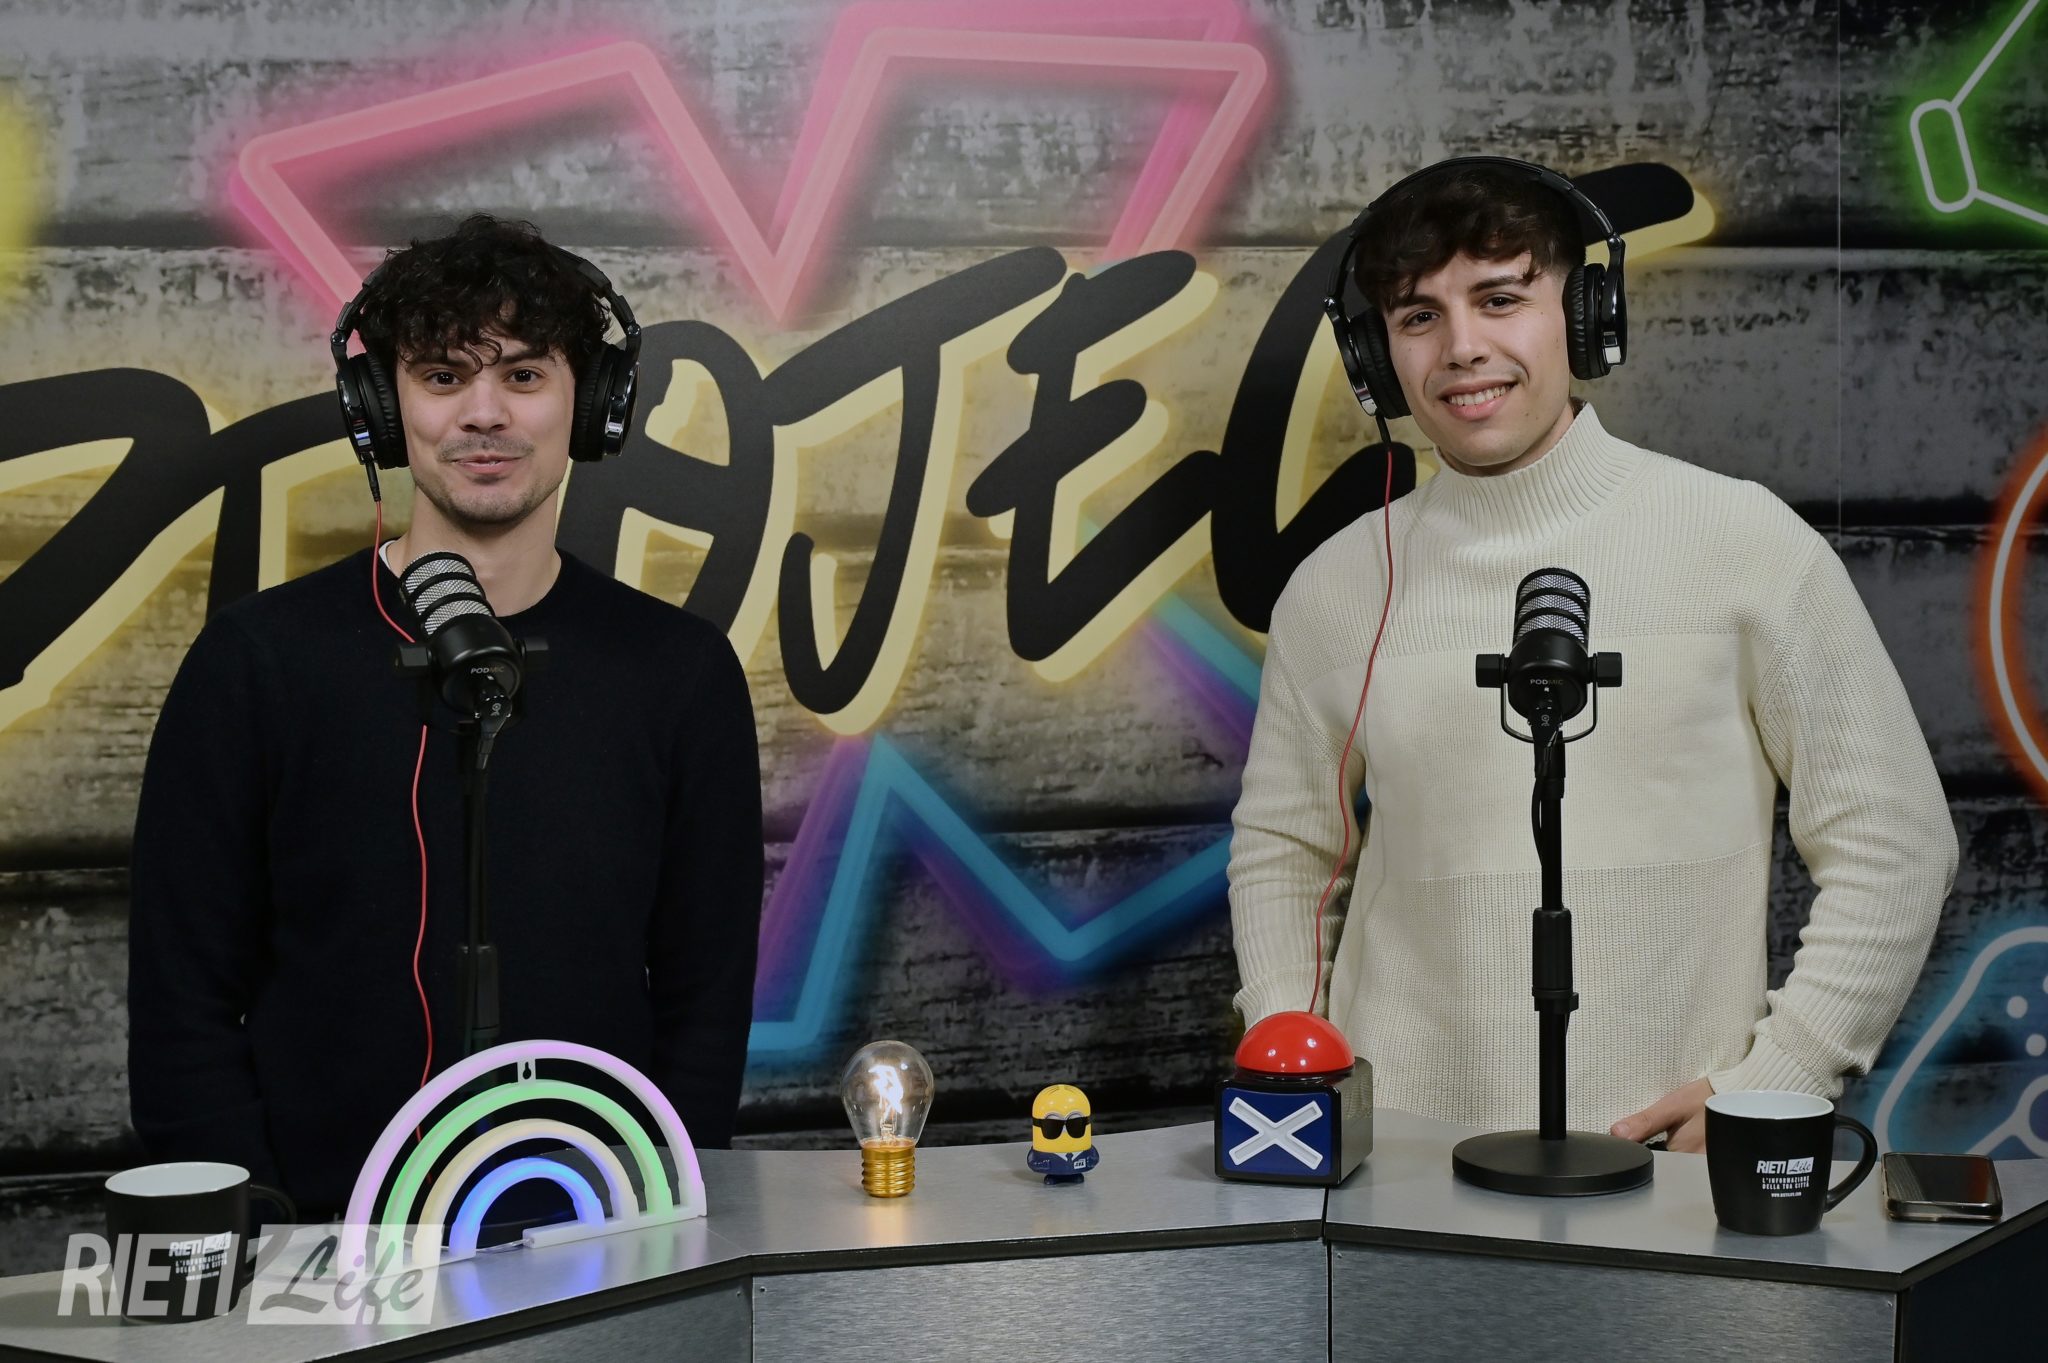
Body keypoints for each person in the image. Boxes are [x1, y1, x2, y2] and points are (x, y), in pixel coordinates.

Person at [1227, 160, 1957, 1152]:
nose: (1461, 347)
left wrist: (1777, 1079)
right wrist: (1289, 1060)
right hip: (1395, 1167)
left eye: (1499, 299)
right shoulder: (1336, 587)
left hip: (1660, 1168)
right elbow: (1283, 846)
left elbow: (1895, 839)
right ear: (1376, 356)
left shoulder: (1741, 540)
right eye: (1417, 316)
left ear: (1583, 315)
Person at [129, 215, 764, 1217]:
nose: (483, 413)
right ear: (381, 410)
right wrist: (261, 1234)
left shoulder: (678, 673)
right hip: (315, 1259)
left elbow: (705, 1006)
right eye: (441, 376)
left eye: (523, 375)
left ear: (591, 404)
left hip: (605, 1252)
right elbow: (182, 1005)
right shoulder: (256, 663)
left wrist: (659, 1228)